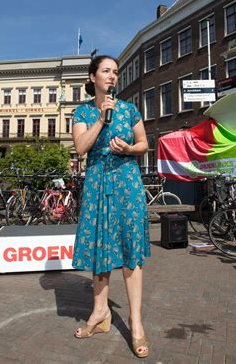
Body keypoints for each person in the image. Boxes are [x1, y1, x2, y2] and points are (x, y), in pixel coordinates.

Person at [71, 55, 150, 357]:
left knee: (131, 248)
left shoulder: (129, 109)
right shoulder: (82, 112)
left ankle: (136, 321)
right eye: (106, 71)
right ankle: (100, 312)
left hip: (127, 182)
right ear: (93, 77)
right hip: (97, 182)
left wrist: (130, 148)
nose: (113, 76)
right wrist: (102, 120)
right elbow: (80, 148)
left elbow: (144, 144)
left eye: (115, 72)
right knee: (101, 247)